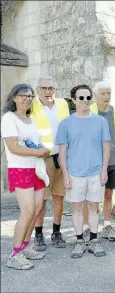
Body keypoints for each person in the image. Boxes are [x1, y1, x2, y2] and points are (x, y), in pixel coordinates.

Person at [56, 84, 110, 258]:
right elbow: (62, 152)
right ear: (74, 100)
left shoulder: (100, 122)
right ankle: (79, 241)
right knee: (77, 207)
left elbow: (106, 148)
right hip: (74, 173)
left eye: (88, 98)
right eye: (81, 98)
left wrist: (104, 170)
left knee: (94, 207)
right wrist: (65, 174)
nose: (85, 101)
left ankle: (94, 240)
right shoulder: (65, 123)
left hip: (96, 172)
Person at [2, 84, 50, 270]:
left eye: (30, 96)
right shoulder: (9, 118)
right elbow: (14, 147)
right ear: (14, 98)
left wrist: (43, 149)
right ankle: (14, 254)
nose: (27, 98)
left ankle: (25, 246)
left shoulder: (31, 119)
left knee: (37, 209)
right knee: (28, 211)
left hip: (36, 168)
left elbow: (38, 142)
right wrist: (38, 152)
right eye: (22, 95)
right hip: (20, 169)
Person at [30, 76, 70, 250]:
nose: (48, 92)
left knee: (59, 197)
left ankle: (56, 232)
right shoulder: (31, 105)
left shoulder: (62, 104)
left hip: (61, 157)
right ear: (37, 90)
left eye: (51, 88)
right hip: (42, 160)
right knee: (42, 199)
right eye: (44, 88)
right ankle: (38, 234)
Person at [82, 80, 115, 242]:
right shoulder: (88, 111)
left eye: (109, 93)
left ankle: (107, 225)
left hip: (113, 158)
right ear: (96, 95)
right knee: (89, 196)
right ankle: (86, 227)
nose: (106, 96)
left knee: (108, 194)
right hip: (93, 160)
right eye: (103, 93)